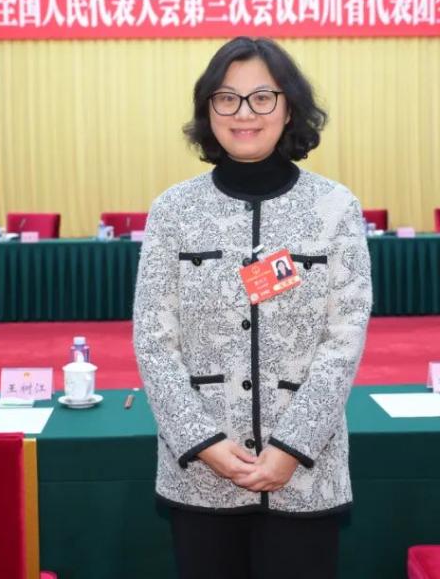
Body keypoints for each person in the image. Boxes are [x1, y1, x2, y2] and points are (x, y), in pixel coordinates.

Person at [133, 36, 373, 579]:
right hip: (201, 473)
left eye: (262, 97)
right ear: (208, 111)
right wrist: (204, 443)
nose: (244, 113)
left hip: (305, 473)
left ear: (289, 108)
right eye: (227, 98)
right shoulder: (173, 210)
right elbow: (153, 340)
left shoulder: (335, 207)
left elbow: (344, 338)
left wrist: (291, 447)